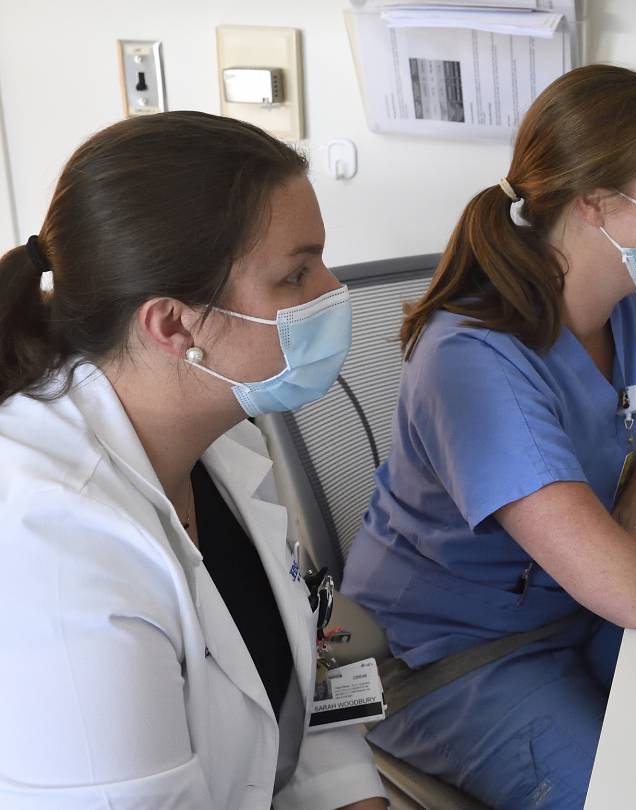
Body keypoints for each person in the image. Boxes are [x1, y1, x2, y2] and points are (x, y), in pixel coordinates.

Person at [342, 65, 636, 810]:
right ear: (595, 203)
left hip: (577, 607)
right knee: (633, 796)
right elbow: (631, 593)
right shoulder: (477, 357)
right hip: (453, 657)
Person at [0, 113, 385, 809]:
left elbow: (311, 658)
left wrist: (359, 797)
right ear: (174, 325)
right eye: (296, 275)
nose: (333, 290)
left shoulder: (219, 425)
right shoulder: (54, 548)